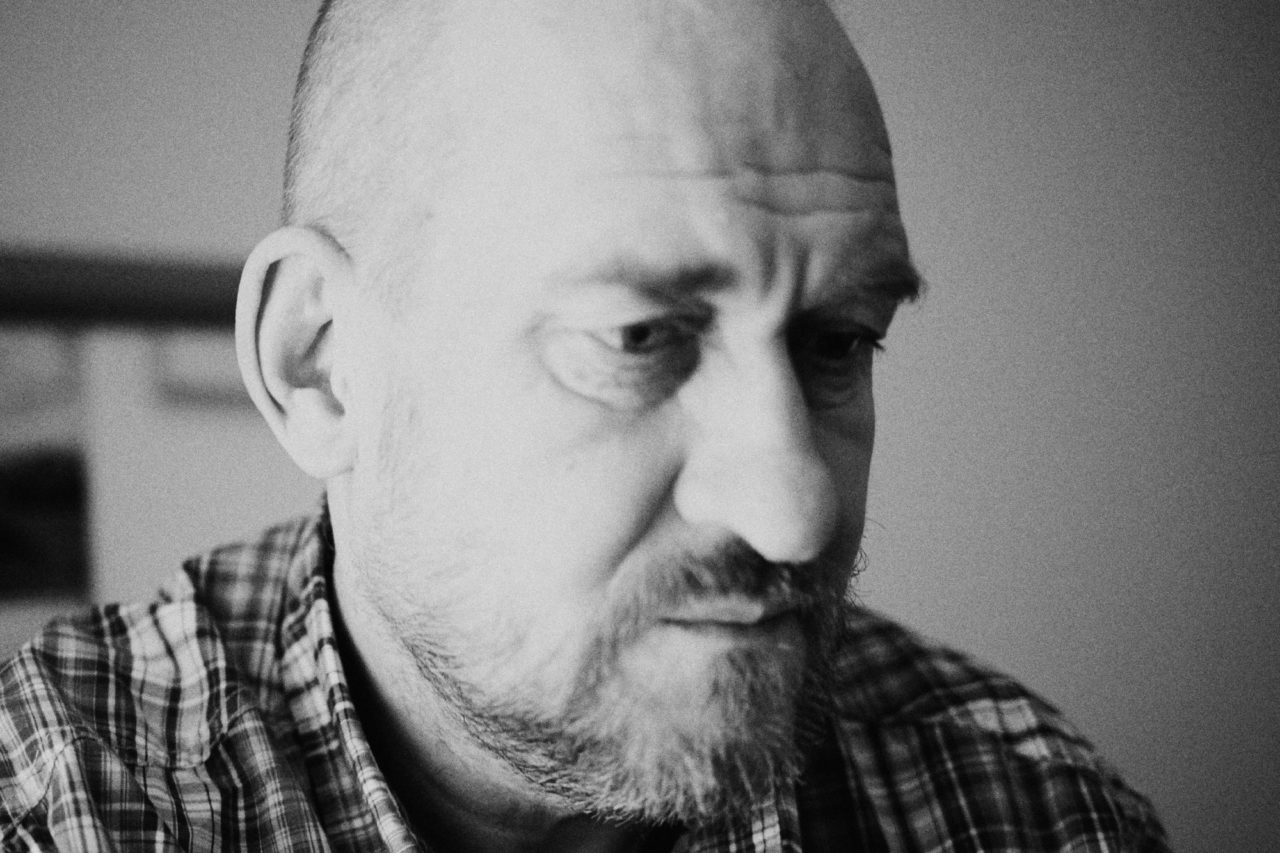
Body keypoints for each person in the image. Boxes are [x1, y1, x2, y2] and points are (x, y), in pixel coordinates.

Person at [1, 0, 1169, 850]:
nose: (796, 508)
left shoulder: (1028, 813)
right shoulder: (61, 813)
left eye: (838, 341)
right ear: (321, 365)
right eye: (637, 337)